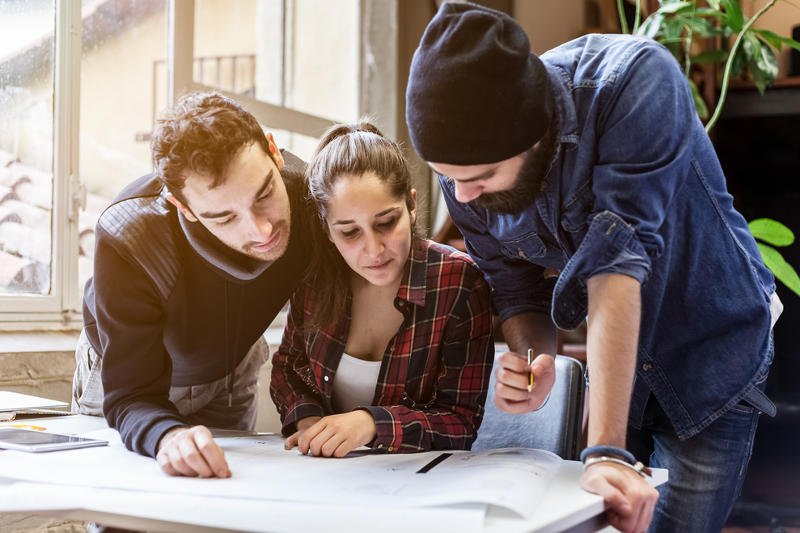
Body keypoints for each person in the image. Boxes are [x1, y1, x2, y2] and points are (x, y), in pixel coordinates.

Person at [405, 3, 782, 532]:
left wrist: (605, 451)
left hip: (710, 353)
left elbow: (616, 264)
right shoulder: (465, 179)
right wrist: (535, 361)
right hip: (621, 371)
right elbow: (516, 290)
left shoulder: (635, 83)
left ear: (534, 135)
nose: (463, 196)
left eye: (481, 175)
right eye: (448, 177)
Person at [72, 92, 312, 478]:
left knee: (225, 489)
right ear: (183, 207)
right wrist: (167, 436)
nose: (262, 230)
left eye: (265, 193)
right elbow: (132, 394)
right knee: (121, 495)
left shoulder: (312, 196)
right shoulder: (128, 235)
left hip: (233, 364)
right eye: (225, 218)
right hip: (128, 370)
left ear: (274, 151)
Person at [269, 121, 495, 456]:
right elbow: (288, 368)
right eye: (350, 232)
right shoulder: (314, 278)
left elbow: (461, 423)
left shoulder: (460, 282)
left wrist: (372, 424)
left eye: (386, 222)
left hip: (416, 479)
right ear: (327, 230)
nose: (374, 250)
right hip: (327, 471)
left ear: (411, 206)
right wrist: (309, 422)